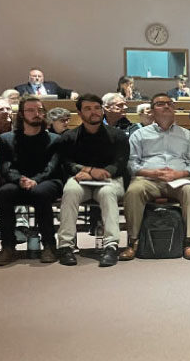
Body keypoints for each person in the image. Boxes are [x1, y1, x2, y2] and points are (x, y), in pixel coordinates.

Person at [121, 93, 190, 261]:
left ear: (174, 109)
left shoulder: (188, 136)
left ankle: (189, 242)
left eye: (169, 103)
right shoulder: (139, 135)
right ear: (151, 111)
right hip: (148, 179)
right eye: (160, 104)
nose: (166, 106)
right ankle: (133, 242)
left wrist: (179, 173)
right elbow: (132, 164)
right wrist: (152, 173)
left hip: (178, 180)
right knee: (134, 191)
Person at [56, 94, 129, 267]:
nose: (94, 112)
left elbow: (120, 163)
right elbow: (65, 162)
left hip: (110, 179)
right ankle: (66, 245)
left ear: (102, 110)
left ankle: (111, 246)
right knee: (70, 191)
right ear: (80, 114)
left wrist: (102, 173)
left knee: (107, 193)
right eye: (88, 109)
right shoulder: (69, 137)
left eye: (97, 108)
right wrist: (88, 170)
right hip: (81, 179)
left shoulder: (118, 135)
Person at [0, 95, 64, 266]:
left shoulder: (54, 139)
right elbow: (5, 167)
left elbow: (52, 167)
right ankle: (8, 246)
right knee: (4, 193)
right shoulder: (6, 139)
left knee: (40, 192)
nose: (36, 113)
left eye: (40, 110)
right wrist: (20, 180)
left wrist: (35, 180)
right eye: (31, 110)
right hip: (19, 181)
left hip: (48, 181)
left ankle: (48, 245)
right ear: (22, 115)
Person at [14, 67, 78, 99]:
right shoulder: (20, 88)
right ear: (29, 77)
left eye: (39, 76)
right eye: (34, 76)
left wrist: (72, 93)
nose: (37, 78)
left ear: (43, 78)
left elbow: (63, 92)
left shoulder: (52, 86)